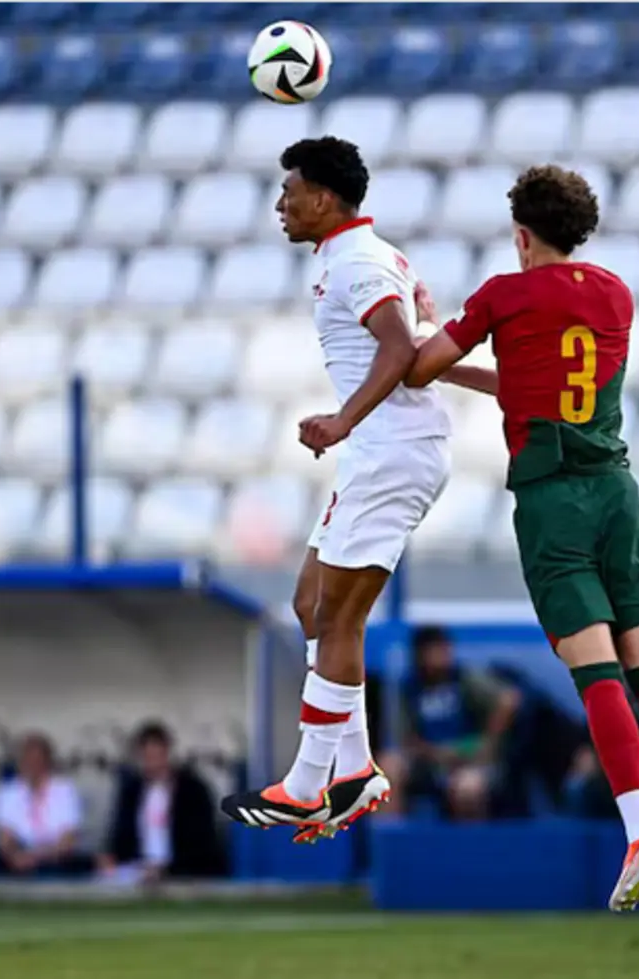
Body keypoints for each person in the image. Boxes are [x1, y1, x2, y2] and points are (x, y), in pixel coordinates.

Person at [405, 165, 639, 916]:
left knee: (599, 676)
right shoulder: (615, 294)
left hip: (553, 502)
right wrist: (472, 373)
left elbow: (421, 366)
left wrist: (431, 334)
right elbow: (535, 381)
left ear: (522, 234)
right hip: (617, 492)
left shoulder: (503, 293)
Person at [221, 137, 452, 843]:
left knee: (340, 617)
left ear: (324, 198)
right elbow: (420, 347)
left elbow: (398, 347)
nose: (280, 205)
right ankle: (354, 768)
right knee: (311, 604)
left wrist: (342, 420)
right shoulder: (350, 256)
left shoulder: (357, 261)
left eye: (289, 192)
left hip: (389, 452)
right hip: (378, 453)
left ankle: (305, 783)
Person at [382, 626, 520, 820]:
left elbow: (508, 700)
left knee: (467, 788)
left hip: (469, 759)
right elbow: (406, 739)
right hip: (429, 761)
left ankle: (467, 846)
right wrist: (435, 754)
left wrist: (487, 743)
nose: (440, 657)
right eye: (432, 651)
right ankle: (391, 840)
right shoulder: (409, 689)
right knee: (389, 767)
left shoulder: (465, 679)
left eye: (443, 650)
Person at [99, 722, 225, 882]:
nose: (151, 763)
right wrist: (110, 856)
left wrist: (165, 868)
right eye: (146, 757)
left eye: (155, 757)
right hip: (138, 870)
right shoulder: (131, 790)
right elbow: (120, 833)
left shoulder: (193, 790)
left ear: (167, 753)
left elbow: (202, 841)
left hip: (184, 871)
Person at [0, 732, 93, 878]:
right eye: (27, 760)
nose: (32, 765)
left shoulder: (65, 790)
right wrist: (17, 857)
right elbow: (5, 839)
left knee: (60, 870)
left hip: (54, 855)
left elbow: (68, 840)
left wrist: (37, 857)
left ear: (47, 762)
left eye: (37, 760)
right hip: (20, 854)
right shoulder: (8, 792)